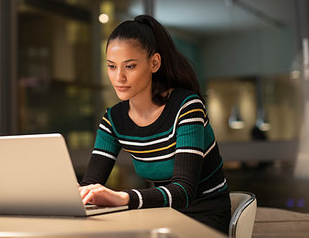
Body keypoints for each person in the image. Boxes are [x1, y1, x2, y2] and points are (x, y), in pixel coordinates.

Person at [79, 14, 231, 234]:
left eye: (129, 66)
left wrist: (123, 197)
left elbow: (184, 191)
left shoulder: (187, 108)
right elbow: (91, 183)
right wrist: (78, 194)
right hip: (162, 216)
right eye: (112, 66)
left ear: (154, 63)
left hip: (205, 218)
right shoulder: (113, 119)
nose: (118, 77)